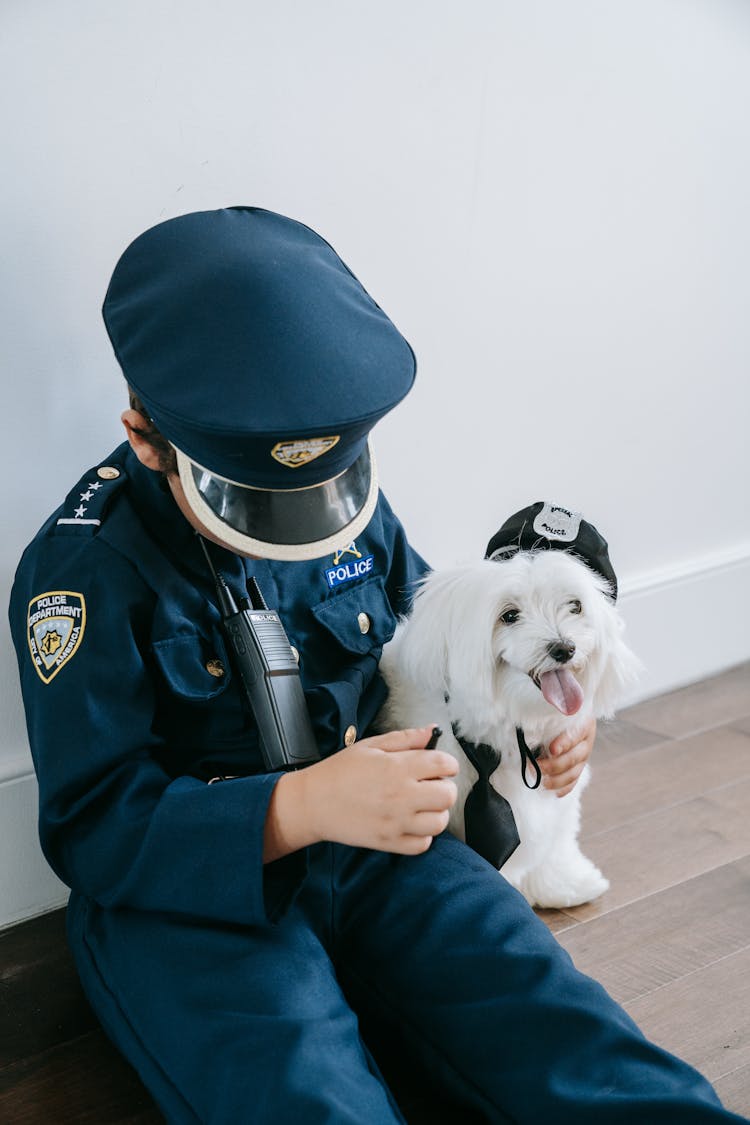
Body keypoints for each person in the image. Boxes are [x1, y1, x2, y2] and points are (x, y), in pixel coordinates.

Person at [9, 207, 744, 1124]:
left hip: (384, 850)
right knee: (304, 1091)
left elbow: (447, 638)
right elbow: (90, 825)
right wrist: (301, 805)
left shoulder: (337, 500)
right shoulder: (82, 573)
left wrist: (551, 712)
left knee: (558, 1027)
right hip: (186, 898)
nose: (298, 514)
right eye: (255, 495)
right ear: (146, 436)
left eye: (316, 487)